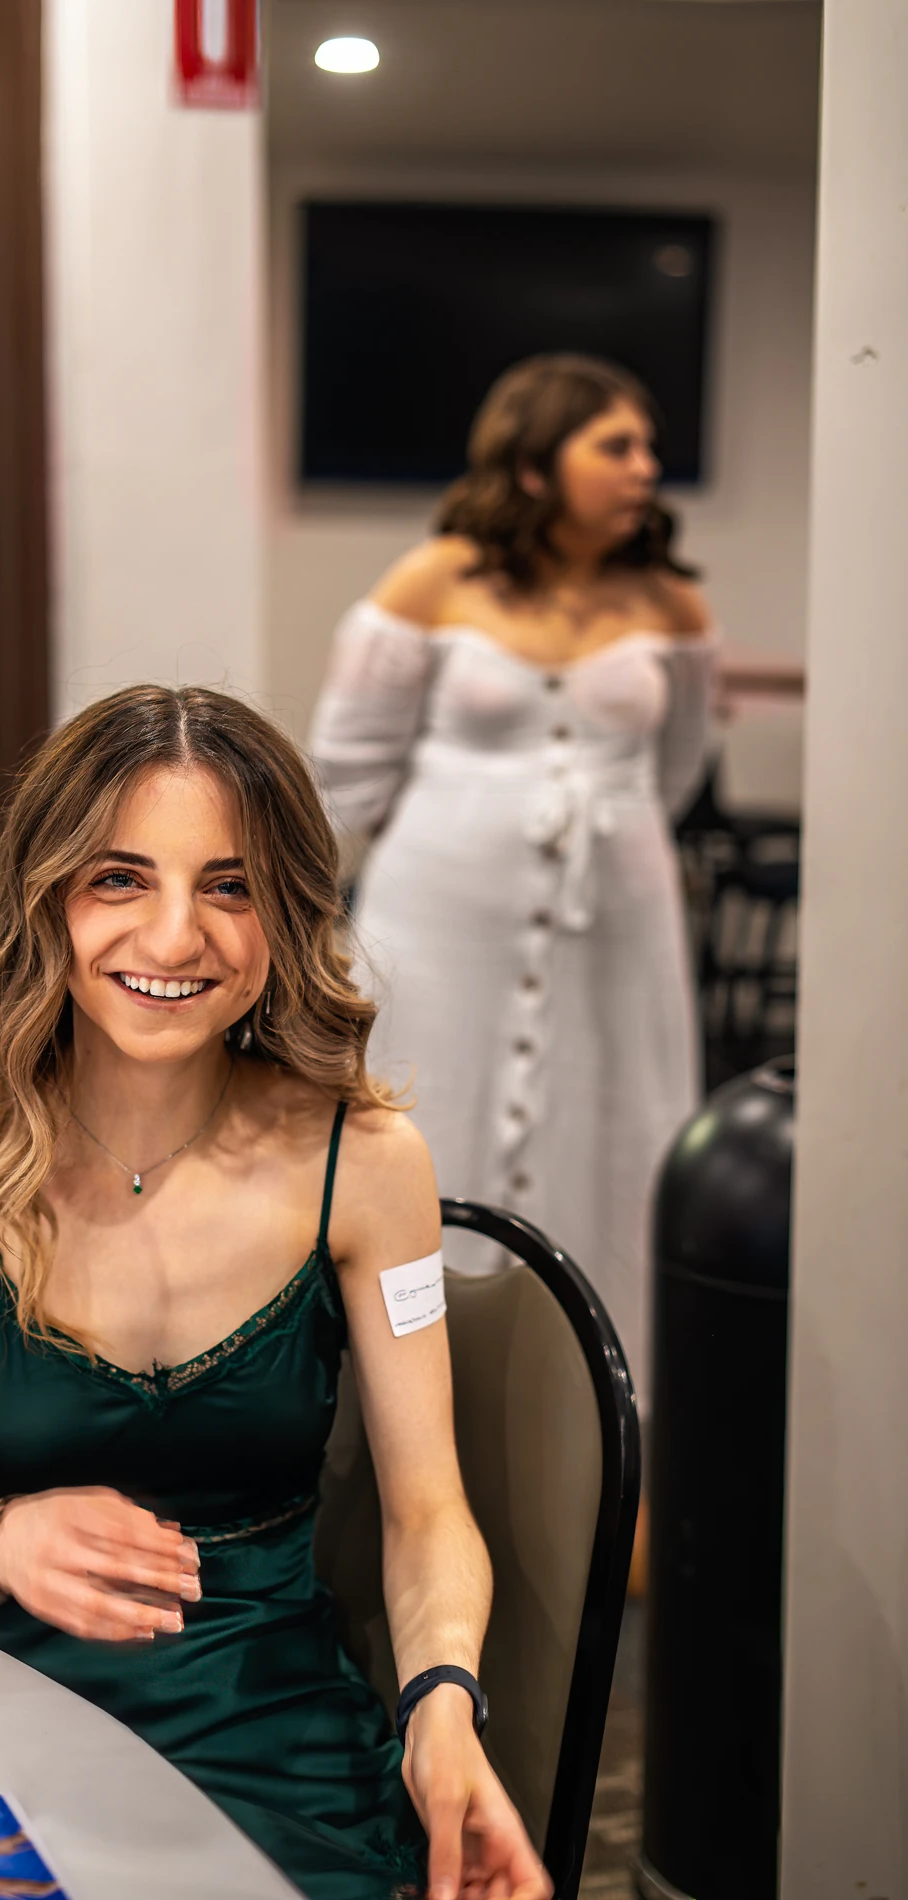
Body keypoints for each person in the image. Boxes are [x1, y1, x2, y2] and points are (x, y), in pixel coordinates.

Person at [0, 686, 551, 1900]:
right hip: (6, 1736)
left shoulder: (366, 1167)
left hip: (278, 1741)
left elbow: (428, 1511)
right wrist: (0, 1538)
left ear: (283, 914)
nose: (174, 938)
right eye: (120, 879)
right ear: (46, 898)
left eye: (228, 887)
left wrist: (444, 1710)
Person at [307, 354, 715, 1427]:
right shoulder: (432, 582)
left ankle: (594, 1442)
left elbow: (674, 771)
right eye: (614, 446)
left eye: (648, 447)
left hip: (617, 936)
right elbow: (343, 773)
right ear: (535, 465)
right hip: (438, 931)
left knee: (613, 1140)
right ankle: (401, 1430)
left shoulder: (669, 603)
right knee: (426, 1129)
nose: (645, 469)